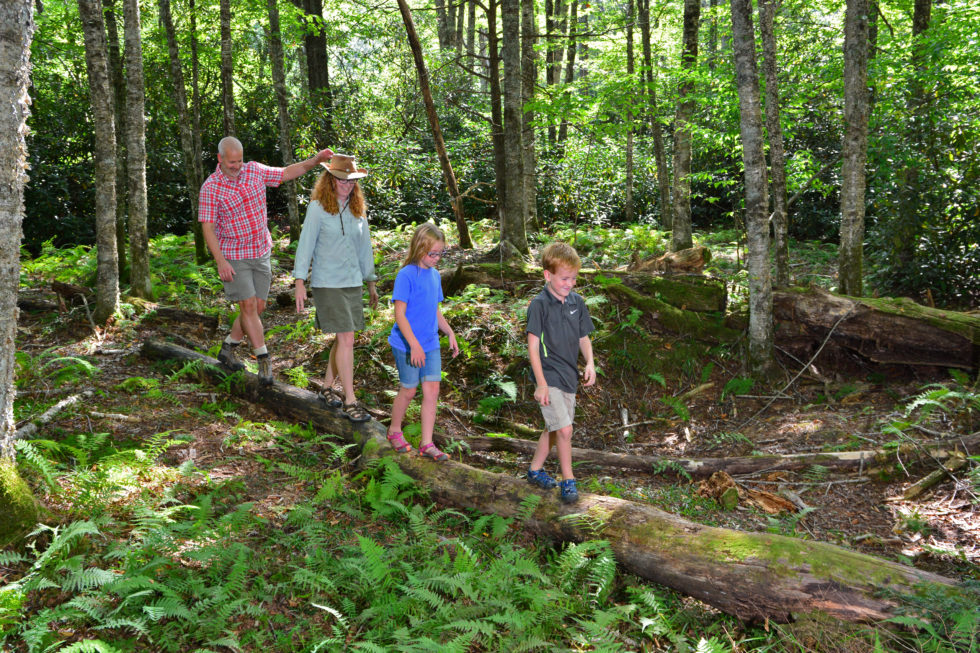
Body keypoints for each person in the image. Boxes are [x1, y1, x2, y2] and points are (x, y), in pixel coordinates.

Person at [199, 136, 333, 384]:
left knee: (257, 308)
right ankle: (264, 359)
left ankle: (228, 347)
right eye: (231, 162)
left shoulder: (254, 170)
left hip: (260, 251)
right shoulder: (211, 187)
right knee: (249, 307)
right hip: (234, 255)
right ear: (220, 159)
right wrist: (220, 261)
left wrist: (316, 160)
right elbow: (208, 228)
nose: (236, 166)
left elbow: (287, 172)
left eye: (239, 161)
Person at [293, 154, 378, 423]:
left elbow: (364, 248)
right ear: (330, 180)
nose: (347, 185)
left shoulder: (357, 210)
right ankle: (350, 400)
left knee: (344, 338)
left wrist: (371, 282)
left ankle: (327, 387)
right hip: (327, 282)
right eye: (342, 180)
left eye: (352, 181)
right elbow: (305, 245)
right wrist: (299, 282)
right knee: (347, 338)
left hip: (352, 282)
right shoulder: (317, 208)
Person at [525, 242, 596, 503]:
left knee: (555, 428)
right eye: (565, 278)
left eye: (574, 278)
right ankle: (568, 480)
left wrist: (590, 363)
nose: (570, 283)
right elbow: (533, 347)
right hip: (548, 375)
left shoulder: (577, 302)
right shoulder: (539, 305)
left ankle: (534, 470)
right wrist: (541, 383)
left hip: (569, 376)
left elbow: (583, 337)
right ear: (548, 275)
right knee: (565, 430)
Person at [385, 224, 459, 459]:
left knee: (432, 390)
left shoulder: (435, 275)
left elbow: (434, 310)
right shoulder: (406, 275)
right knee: (409, 390)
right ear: (419, 248)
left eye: (440, 253)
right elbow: (399, 315)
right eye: (432, 254)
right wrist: (414, 345)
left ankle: (427, 442)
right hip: (406, 343)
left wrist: (449, 332)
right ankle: (394, 431)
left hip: (430, 342)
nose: (437, 258)